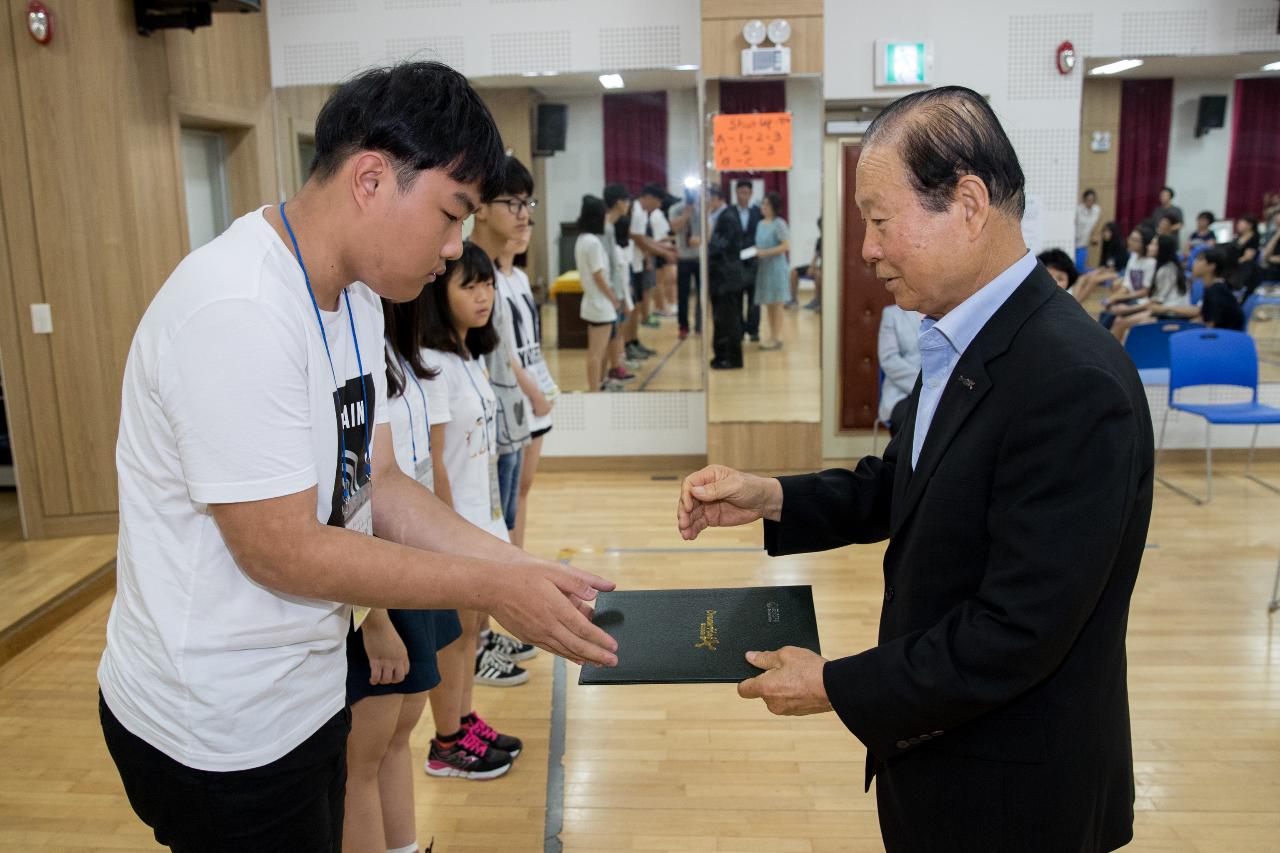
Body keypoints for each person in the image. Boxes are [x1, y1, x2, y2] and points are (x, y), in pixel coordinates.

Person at [98, 62, 617, 853]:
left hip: (301, 691)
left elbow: (375, 482)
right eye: (451, 215)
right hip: (213, 726)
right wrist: (493, 584)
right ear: (371, 178)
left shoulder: (360, 297)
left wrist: (525, 571)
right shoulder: (238, 309)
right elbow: (282, 549)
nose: (453, 250)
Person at [677, 86, 1152, 853]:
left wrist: (835, 682)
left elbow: (1015, 631)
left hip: (1016, 793)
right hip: (937, 757)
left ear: (967, 203)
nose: (865, 248)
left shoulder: (1071, 382)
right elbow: (905, 484)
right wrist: (770, 497)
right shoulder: (961, 338)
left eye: (880, 218)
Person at [341, 296, 464, 853]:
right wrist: (374, 618)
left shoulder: (395, 352)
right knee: (364, 755)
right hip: (374, 582)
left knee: (400, 734)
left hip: (411, 568)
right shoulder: (344, 348)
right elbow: (351, 496)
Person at [470, 156, 556, 554]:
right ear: (481, 207)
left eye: (528, 205)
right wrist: (534, 393)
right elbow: (496, 355)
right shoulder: (469, 273)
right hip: (490, 416)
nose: (523, 216)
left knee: (512, 505)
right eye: (513, 203)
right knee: (492, 518)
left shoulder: (513, 276)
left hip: (515, 408)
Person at [575, 194, 623, 391]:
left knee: (599, 351)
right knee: (596, 353)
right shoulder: (593, 243)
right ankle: (594, 391)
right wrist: (613, 298)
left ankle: (600, 384)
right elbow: (598, 275)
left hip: (592, 302)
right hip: (600, 303)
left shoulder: (582, 239)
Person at [1109, 234, 1191, 343]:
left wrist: (1127, 309)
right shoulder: (1165, 267)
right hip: (1163, 311)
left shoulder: (1166, 270)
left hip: (1171, 315)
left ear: (1163, 249)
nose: (1149, 246)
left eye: (1153, 244)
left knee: (1121, 323)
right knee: (1119, 321)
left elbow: (1156, 303)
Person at [706, 185, 747, 370]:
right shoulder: (721, 216)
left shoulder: (727, 217)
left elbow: (724, 246)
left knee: (729, 319)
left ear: (718, 198)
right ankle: (721, 355)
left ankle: (731, 358)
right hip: (720, 278)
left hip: (726, 278)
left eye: (708, 198)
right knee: (721, 319)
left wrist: (706, 242)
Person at [602, 183, 637, 387]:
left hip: (617, 287)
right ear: (618, 203)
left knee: (616, 330)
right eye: (627, 201)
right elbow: (606, 265)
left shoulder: (612, 225)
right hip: (610, 290)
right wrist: (615, 293)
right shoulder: (606, 227)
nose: (629, 205)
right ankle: (609, 373)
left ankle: (616, 367)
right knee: (610, 333)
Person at [753, 191, 791, 351]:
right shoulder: (760, 224)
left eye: (766, 204)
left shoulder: (779, 223)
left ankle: (776, 337)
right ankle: (771, 335)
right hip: (764, 268)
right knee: (768, 303)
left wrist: (765, 253)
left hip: (776, 267)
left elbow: (785, 246)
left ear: (773, 206)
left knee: (777, 303)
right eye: (763, 204)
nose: (763, 207)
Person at [876, 304, 920, 434]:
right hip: (902, 393)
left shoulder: (948, 312)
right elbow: (889, 359)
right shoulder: (892, 314)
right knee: (909, 421)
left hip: (942, 390)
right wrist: (922, 385)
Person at [668, 188, 703, 339]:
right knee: (683, 294)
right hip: (683, 257)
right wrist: (687, 213)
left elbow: (708, 231)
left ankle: (700, 324)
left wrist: (700, 240)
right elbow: (674, 227)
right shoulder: (676, 209)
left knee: (702, 293)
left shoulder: (702, 208)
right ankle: (683, 325)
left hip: (700, 257)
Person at [733, 179, 764, 340]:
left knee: (754, 298)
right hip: (735, 262)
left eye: (746, 193)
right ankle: (738, 329)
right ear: (735, 193)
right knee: (736, 297)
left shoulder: (758, 212)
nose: (743, 196)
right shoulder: (730, 212)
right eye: (740, 192)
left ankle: (754, 330)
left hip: (753, 261)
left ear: (751, 194)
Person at [1074, 188, 1101, 270]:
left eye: (1092, 200)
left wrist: (1095, 237)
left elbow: (1095, 226)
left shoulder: (1097, 210)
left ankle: (1095, 274)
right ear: (1084, 199)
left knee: (1079, 267)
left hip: (1083, 244)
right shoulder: (1078, 210)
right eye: (1088, 199)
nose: (1090, 202)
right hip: (1074, 240)